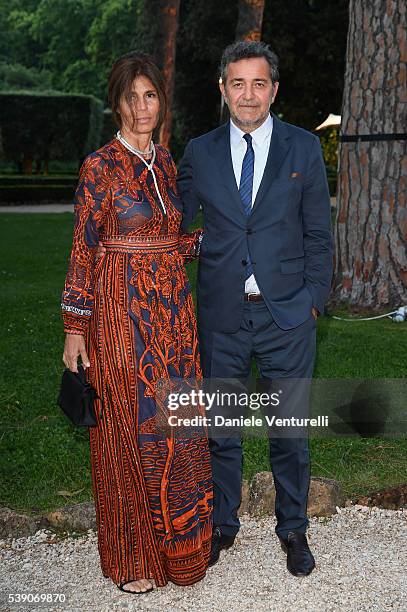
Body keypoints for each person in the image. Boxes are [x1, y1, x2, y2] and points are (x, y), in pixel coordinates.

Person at [177, 41, 334, 576]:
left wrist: (313, 300)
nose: (248, 94)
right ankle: (223, 525)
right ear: (222, 89)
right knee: (222, 427)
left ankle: (293, 529)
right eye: (237, 83)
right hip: (222, 316)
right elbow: (170, 222)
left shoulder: (303, 148)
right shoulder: (198, 151)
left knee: (289, 429)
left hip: (287, 316)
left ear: (274, 89)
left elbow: (319, 234)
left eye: (259, 83)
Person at [61, 51, 212, 594]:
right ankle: (133, 559)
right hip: (122, 318)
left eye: (150, 95)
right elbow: (83, 250)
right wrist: (75, 329)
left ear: (160, 101)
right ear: (116, 104)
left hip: (173, 318)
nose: (141, 106)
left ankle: (181, 554)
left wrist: (220, 241)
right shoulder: (99, 167)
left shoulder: (166, 163)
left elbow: (169, 239)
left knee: (176, 426)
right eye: (131, 97)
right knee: (129, 429)